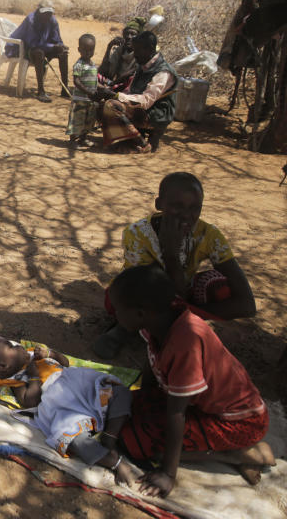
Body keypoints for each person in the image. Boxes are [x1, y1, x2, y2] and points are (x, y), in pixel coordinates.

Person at [110, 264, 274, 495]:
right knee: (122, 406)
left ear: (140, 314)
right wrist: (145, 399)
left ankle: (237, 454)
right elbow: (151, 358)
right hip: (199, 406)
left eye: (118, 310)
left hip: (240, 423)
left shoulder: (186, 342)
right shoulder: (159, 319)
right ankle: (229, 452)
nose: (115, 315)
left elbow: (176, 413)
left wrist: (168, 474)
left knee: (134, 443)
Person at [93, 172, 256, 359]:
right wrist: (170, 254)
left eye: (195, 207)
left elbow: (247, 305)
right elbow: (146, 288)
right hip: (145, 296)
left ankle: (177, 328)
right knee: (134, 294)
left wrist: (190, 315)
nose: (186, 215)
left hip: (181, 297)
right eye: (177, 206)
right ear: (159, 204)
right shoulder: (137, 233)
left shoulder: (208, 235)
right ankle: (126, 329)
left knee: (216, 284)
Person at [0, 338, 134, 485]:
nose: (17, 345)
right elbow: (30, 401)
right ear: (3, 366)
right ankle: (114, 462)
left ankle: (110, 436)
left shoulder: (34, 354)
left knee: (120, 392)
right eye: (11, 346)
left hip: (79, 385)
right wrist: (34, 378)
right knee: (71, 438)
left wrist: (51, 354)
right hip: (62, 403)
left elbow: (65, 363)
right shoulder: (16, 379)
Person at [98, 31, 177, 153]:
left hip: (157, 114)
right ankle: (129, 139)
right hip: (142, 108)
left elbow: (146, 101)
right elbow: (131, 90)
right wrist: (109, 92)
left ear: (150, 49)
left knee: (112, 106)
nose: (135, 55)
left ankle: (142, 143)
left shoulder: (164, 72)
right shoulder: (143, 65)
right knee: (102, 105)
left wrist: (116, 96)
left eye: (138, 51)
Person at [5, 1, 68, 102]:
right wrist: (53, 46)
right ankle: (41, 91)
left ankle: (65, 89)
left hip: (43, 47)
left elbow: (57, 39)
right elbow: (33, 44)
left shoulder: (52, 20)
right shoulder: (31, 20)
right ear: (39, 11)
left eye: (49, 13)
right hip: (23, 48)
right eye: (44, 13)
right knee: (39, 53)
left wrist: (60, 46)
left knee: (63, 53)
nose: (47, 16)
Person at [66, 34, 106, 149]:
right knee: (77, 120)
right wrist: (88, 91)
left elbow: (93, 81)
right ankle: (73, 140)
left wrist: (101, 87)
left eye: (91, 50)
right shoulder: (79, 65)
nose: (88, 52)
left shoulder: (93, 64)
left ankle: (83, 139)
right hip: (80, 100)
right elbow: (77, 82)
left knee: (88, 121)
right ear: (79, 50)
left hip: (91, 100)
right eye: (85, 50)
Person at [99, 18, 145, 86]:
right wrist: (109, 47)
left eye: (133, 34)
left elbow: (132, 72)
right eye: (126, 33)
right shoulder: (120, 50)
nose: (129, 37)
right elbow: (105, 72)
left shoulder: (141, 53)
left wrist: (113, 83)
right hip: (116, 84)